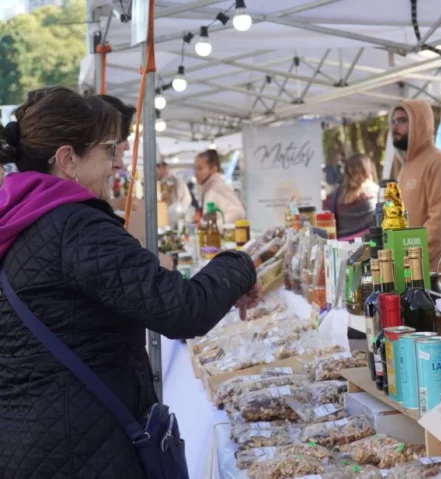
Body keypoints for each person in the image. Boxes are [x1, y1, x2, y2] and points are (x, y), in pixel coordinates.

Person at [0, 86, 260, 478]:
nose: (116, 165)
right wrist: (240, 263)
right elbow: (183, 309)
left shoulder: (17, 218)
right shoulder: (75, 226)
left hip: (30, 441)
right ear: (68, 158)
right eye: (108, 151)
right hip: (85, 449)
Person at [390, 100, 441, 292]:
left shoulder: (439, 164)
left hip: (438, 275)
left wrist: (407, 261)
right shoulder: (406, 167)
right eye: (393, 121)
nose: (395, 127)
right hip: (411, 273)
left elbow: (439, 224)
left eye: (403, 121)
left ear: (421, 124)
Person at [324, 153, 379, 240]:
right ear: (368, 170)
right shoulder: (374, 192)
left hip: (341, 247)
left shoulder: (337, 196)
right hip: (370, 245)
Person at [194, 149, 246, 222]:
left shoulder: (218, 188)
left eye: (200, 168)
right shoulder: (210, 188)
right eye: (195, 168)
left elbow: (238, 212)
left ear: (213, 169)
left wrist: (216, 227)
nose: (196, 173)